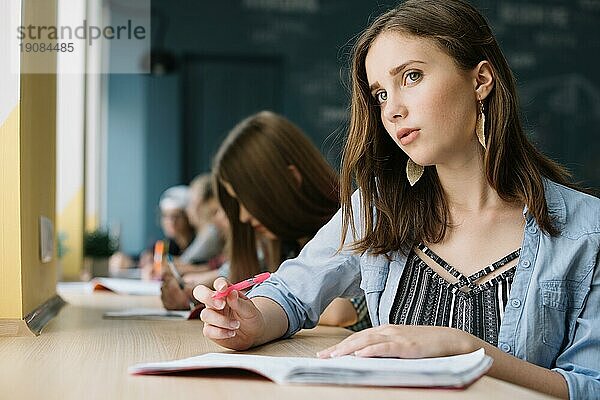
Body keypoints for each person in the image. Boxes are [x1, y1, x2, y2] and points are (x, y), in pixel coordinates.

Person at [193, 1, 600, 399]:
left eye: (411, 76)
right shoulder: (376, 207)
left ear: (480, 80)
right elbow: (289, 293)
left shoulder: (588, 230)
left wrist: (465, 351)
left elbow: (589, 385)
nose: (393, 110)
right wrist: (250, 321)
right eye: (381, 94)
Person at [169, 111, 370, 329]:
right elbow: (237, 274)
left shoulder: (356, 224)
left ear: (292, 179)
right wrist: (192, 292)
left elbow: (341, 312)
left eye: (249, 201)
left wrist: (253, 301)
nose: (244, 217)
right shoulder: (282, 242)